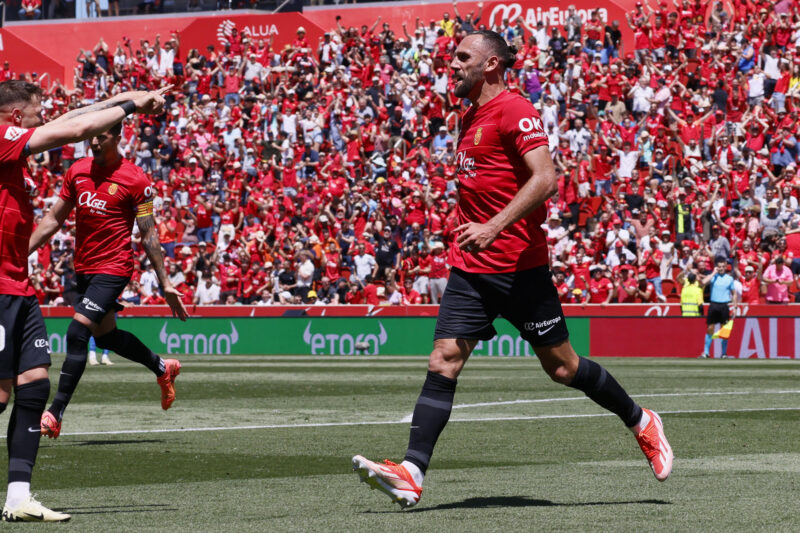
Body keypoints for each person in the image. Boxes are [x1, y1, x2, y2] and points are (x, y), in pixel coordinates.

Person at [351, 31, 672, 509]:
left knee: (563, 369)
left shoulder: (515, 110)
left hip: (521, 268)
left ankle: (641, 420)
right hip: (471, 270)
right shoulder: (468, 117)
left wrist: (494, 226)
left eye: (463, 57)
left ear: (493, 64)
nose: (452, 64)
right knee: (443, 360)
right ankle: (412, 472)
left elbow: (547, 178)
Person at [0, 79, 166, 522]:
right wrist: (134, 102)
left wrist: (129, 100)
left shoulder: (133, 177)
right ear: (17, 117)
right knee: (2, 394)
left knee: (34, 381)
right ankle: (159, 365)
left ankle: (18, 496)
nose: (45, 117)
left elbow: (74, 119)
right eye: (38, 111)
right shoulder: (3, 138)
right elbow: (75, 129)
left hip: (23, 285)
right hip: (2, 285)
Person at [28, 120, 188, 442]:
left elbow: (148, 234)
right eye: (90, 137)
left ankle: (55, 412)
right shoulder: (77, 171)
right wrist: (21, 254)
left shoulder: (136, 180)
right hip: (84, 268)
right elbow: (55, 218)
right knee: (105, 337)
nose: (94, 143)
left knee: (77, 331)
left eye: (100, 137)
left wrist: (166, 282)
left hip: (114, 268)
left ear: (117, 136)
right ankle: (161, 368)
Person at [699, 256, 737, 358]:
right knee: (710, 328)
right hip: (714, 305)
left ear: (726, 267)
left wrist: (735, 307)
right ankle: (706, 353)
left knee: (724, 330)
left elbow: (734, 293)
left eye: (723, 267)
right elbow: (703, 282)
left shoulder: (729, 279)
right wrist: (713, 273)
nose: (721, 268)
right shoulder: (713, 277)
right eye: (719, 267)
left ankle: (723, 353)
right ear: (716, 267)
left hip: (724, 305)